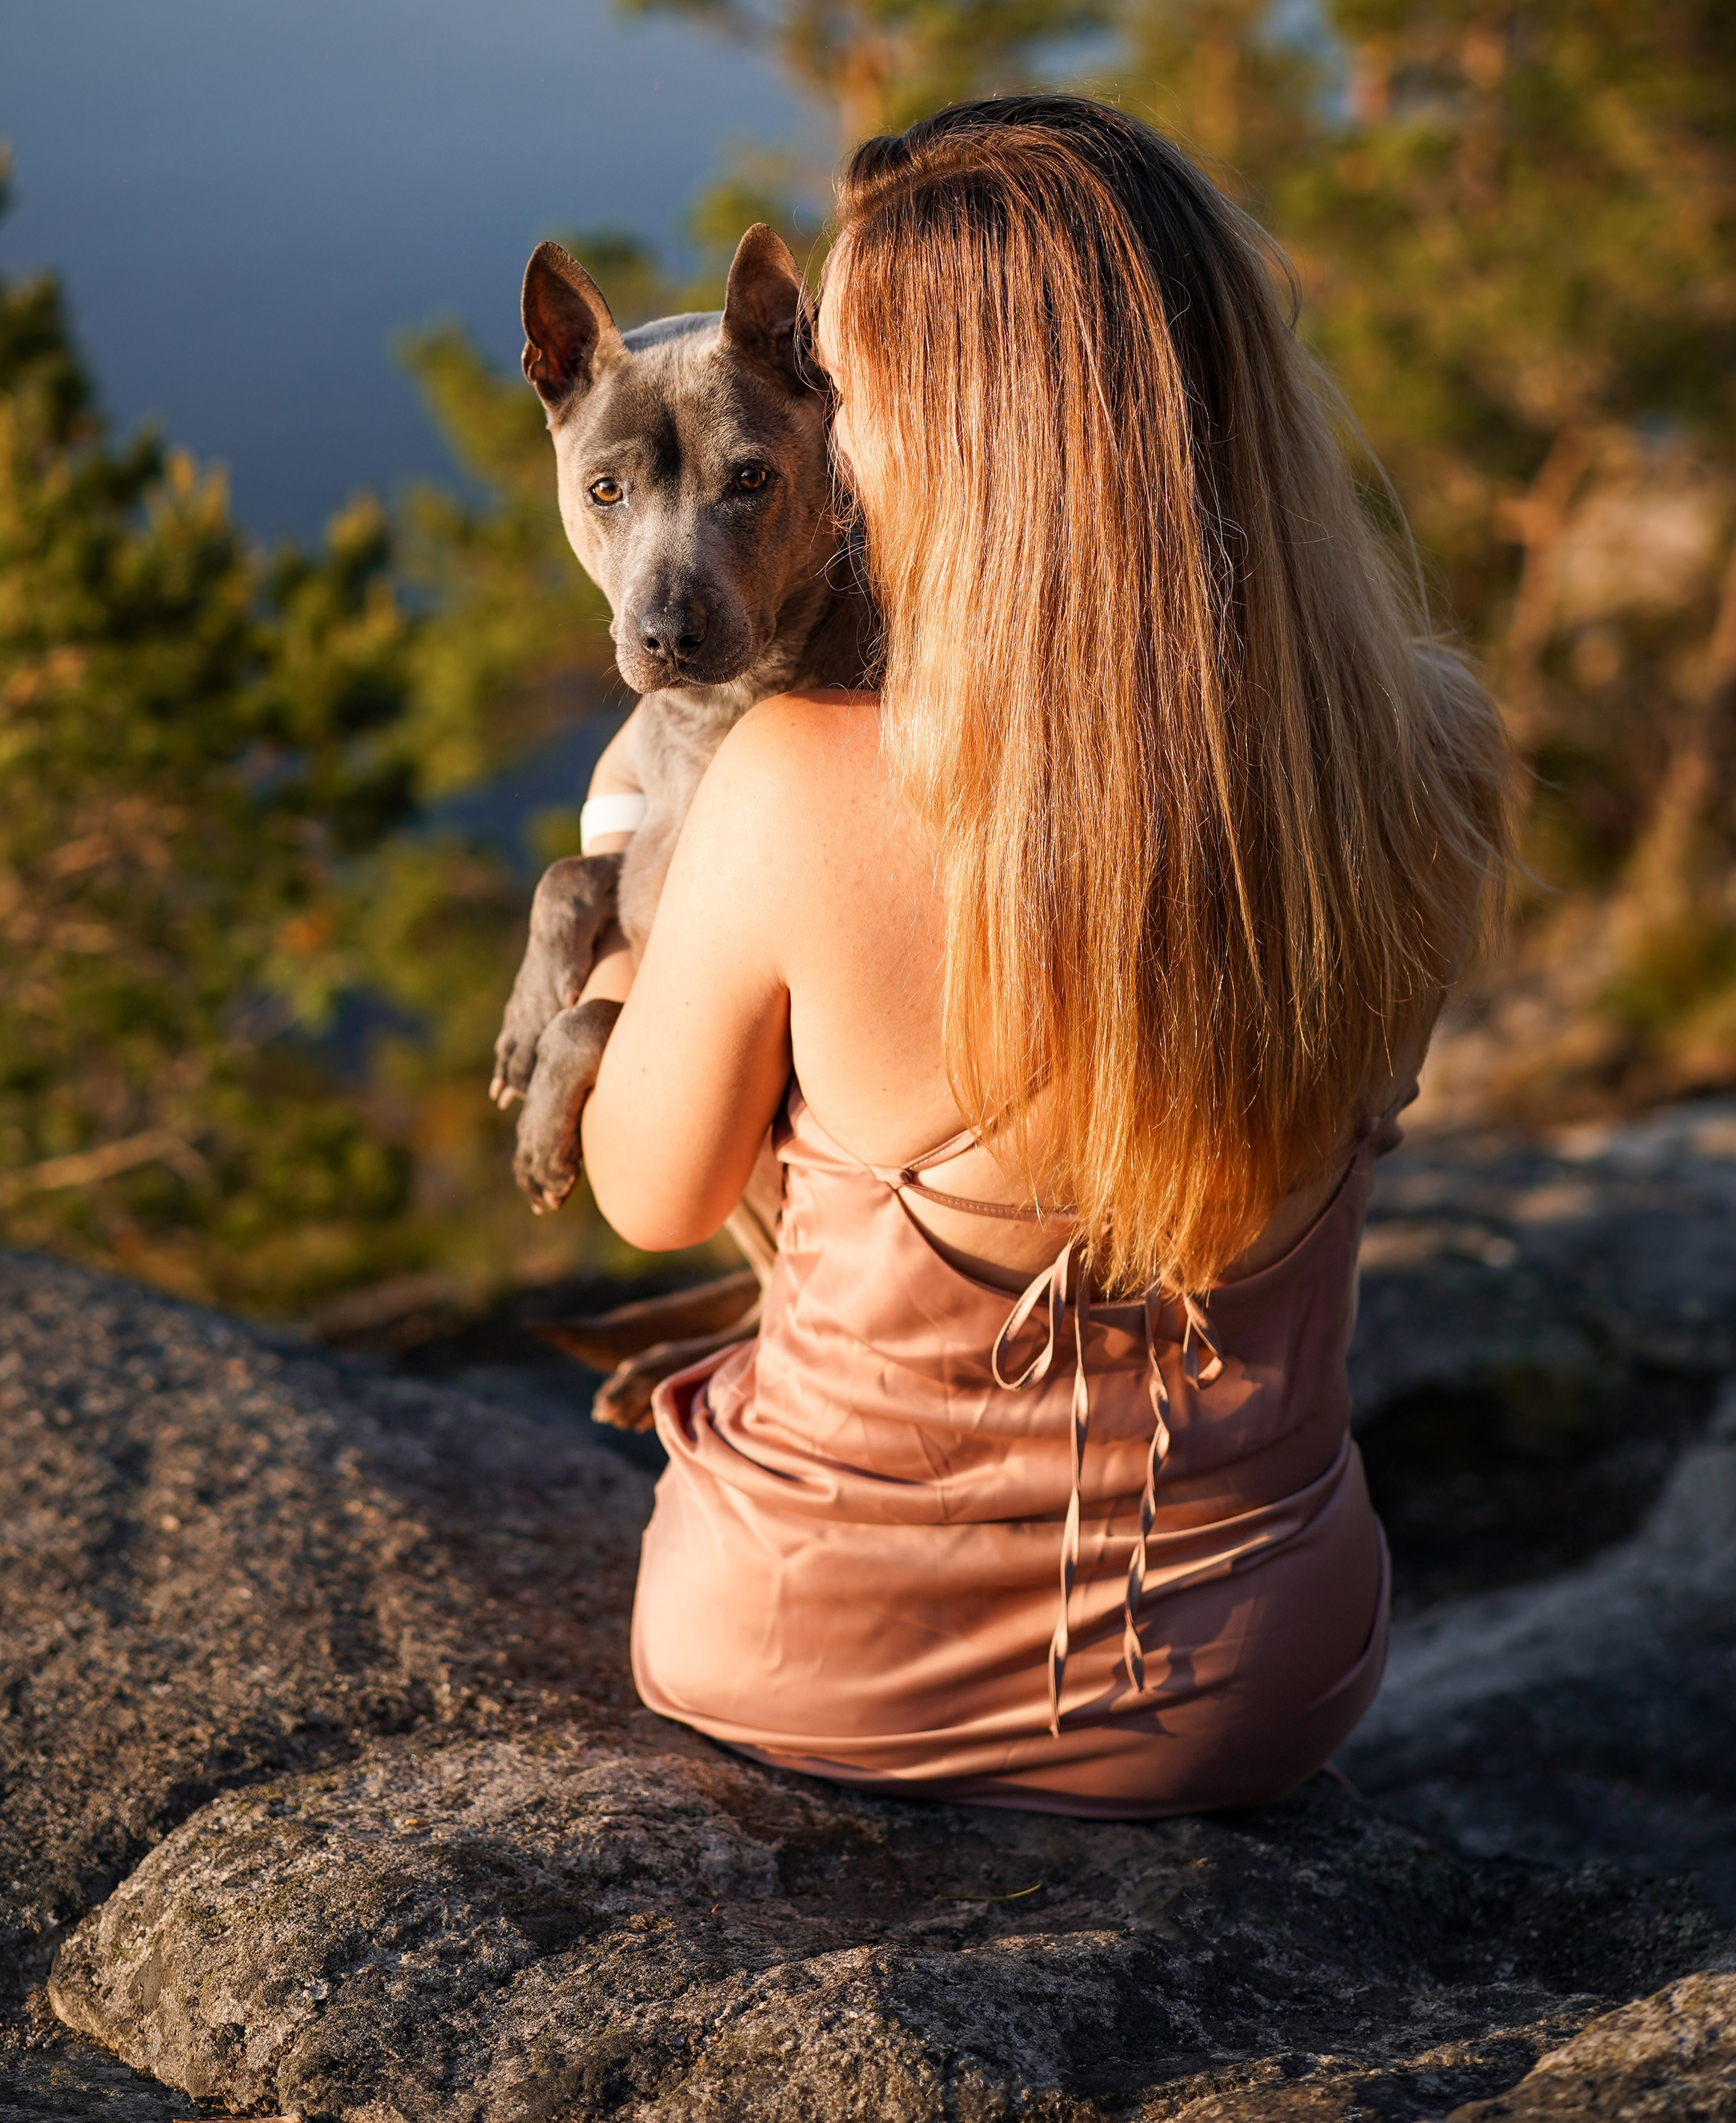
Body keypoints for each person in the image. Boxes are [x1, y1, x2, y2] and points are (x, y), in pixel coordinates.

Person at [575, 96, 1511, 1817]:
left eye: (843, 385)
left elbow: (646, 1189)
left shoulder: (793, 788)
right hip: (1245, 1681)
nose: (825, 429)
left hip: (807, 1658)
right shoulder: (1421, 755)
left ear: (941, 436)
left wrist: (620, 905)